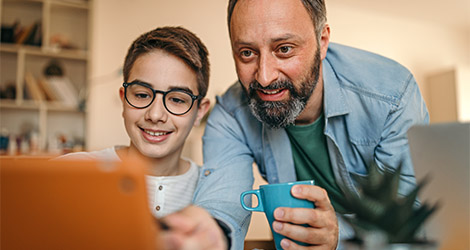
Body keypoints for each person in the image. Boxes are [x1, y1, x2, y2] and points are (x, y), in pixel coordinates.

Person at [190, 0, 430, 249]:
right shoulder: (230, 114)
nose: (264, 76)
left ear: (322, 41)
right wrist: (208, 235)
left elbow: (409, 220)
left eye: (284, 49)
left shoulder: (391, 96)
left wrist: (340, 235)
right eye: (247, 53)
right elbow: (222, 204)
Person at [58, 26, 227, 249]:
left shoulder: (212, 192)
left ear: (199, 112)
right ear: (124, 99)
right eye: (141, 95)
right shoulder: (70, 173)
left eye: (177, 99)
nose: (155, 115)